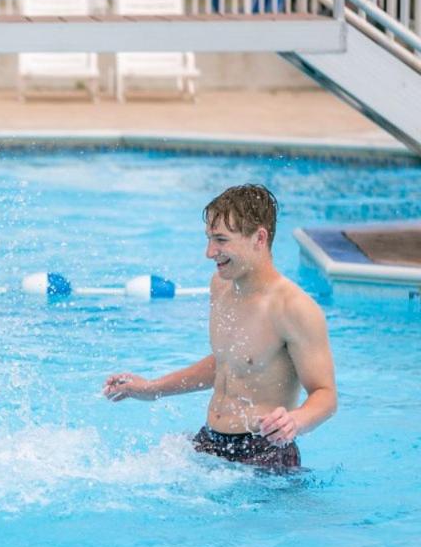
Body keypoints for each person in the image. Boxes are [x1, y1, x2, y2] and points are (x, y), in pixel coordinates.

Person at [102, 184, 336, 470]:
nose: (209, 252)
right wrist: (152, 388)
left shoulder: (294, 309)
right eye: (209, 239)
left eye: (221, 240)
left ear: (259, 238)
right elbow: (226, 363)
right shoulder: (222, 286)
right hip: (210, 441)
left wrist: (295, 421)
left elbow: (325, 394)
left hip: (263, 455)